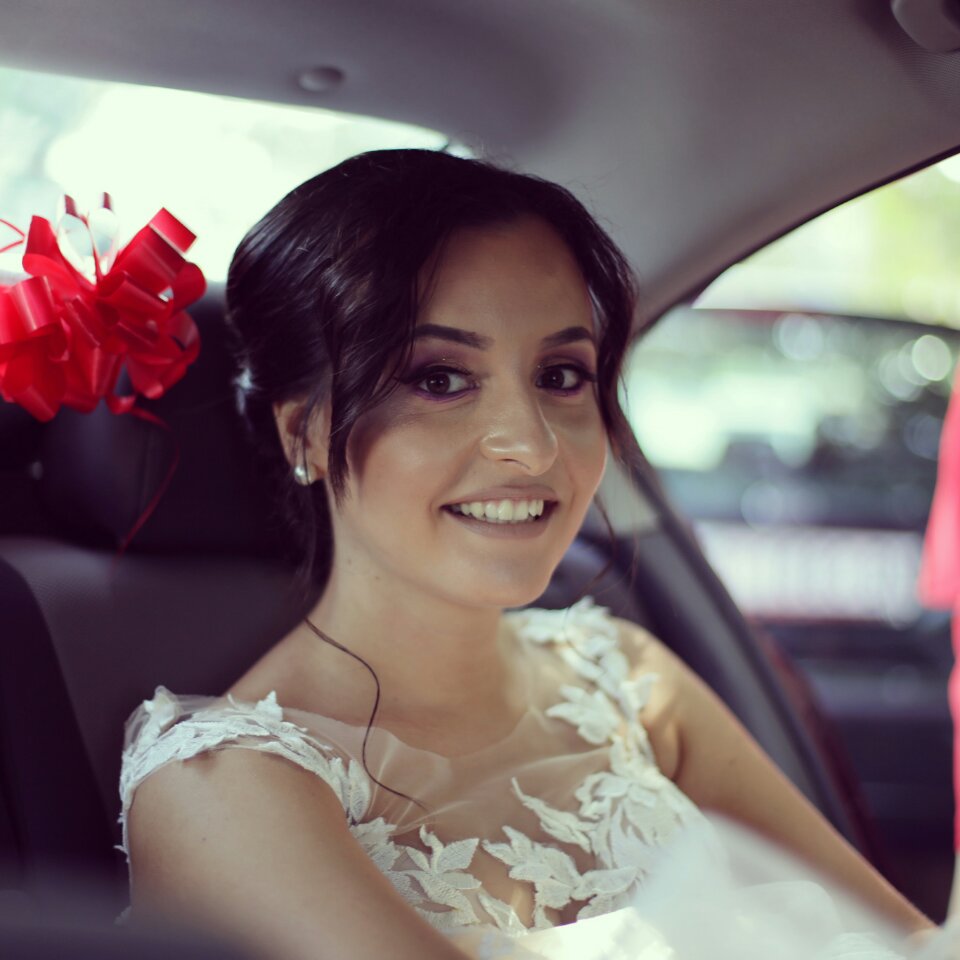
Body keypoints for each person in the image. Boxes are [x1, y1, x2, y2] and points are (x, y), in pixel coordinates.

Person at [118, 149, 935, 960]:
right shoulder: (221, 787)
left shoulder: (628, 679)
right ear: (306, 433)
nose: (533, 445)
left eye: (561, 375)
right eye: (440, 379)